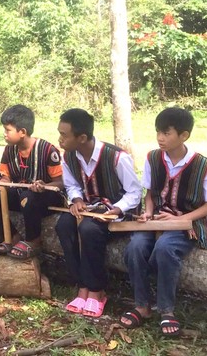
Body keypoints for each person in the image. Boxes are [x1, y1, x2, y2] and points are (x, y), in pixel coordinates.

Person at [121, 107, 207, 337]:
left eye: (166, 133)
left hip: (188, 221)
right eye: (158, 131)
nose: (160, 138)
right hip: (157, 218)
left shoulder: (201, 165)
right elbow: (149, 193)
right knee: (135, 247)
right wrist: (148, 213)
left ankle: (166, 309)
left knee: (165, 249)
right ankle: (142, 305)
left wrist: (180, 219)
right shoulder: (153, 157)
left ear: (184, 135)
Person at [55, 108, 141, 318]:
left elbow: (135, 191)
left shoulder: (117, 158)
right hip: (91, 209)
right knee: (64, 225)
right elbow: (72, 185)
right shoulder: (69, 157)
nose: (59, 139)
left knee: (88, 229)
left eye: (64, 135)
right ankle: (82, 284)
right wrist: (76, 200)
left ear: (82, 137)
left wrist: (117, 208)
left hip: (119, 214)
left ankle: (97, 290)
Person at [0, 105, 64, 259]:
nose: (4, 134)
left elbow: (61, 182)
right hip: (22, 196)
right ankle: (11, 236)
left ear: (22, 132)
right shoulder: (10, 150)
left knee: (28, 197)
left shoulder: (47, 150)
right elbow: (6, 177)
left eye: (7, 130)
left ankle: (33, 241)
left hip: (45, 199)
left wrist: (44, 186)